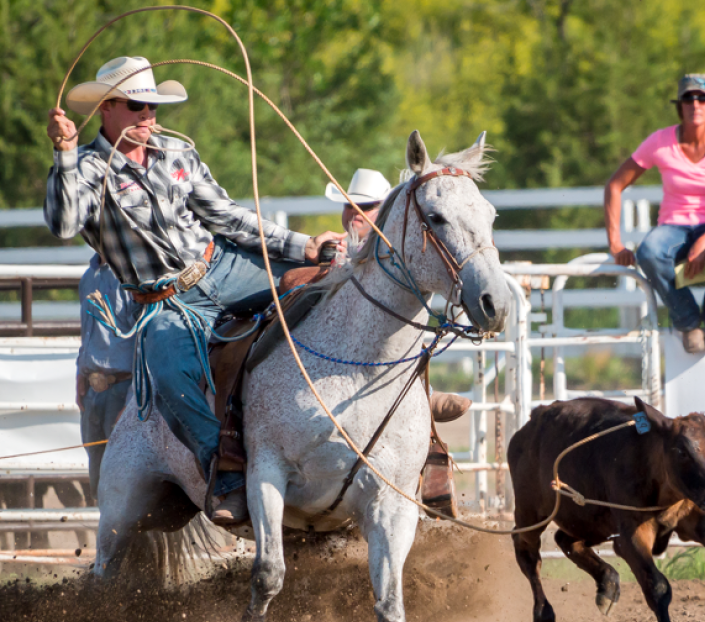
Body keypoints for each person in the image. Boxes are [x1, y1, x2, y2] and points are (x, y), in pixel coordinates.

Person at [45, 56, 343, 525]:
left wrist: (305, 246)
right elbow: (63, 224)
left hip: (222, 266)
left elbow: (228, 217)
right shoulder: (83, 169)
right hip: (165, 301)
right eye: (137, 106)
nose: (149, 116)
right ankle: (224, 467)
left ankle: (393, 421)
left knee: (329, 279)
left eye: (152, 107)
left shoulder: (177, 154)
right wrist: (64, 153)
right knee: (170, 374)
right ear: (106, 108)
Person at [605, 74, 705, 354]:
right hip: (674, 225)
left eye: (703, 98)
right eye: (688, 98)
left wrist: (704, 241)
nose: (696, 104)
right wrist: (615, 243)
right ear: (679, 106)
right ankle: (688, 321)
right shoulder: (660, 141)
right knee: (649, 252)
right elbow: (615, 184)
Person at [325, 168, 472, 424]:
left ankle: (422, 391)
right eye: (349, 205)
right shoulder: (336, 245)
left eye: (365, 205)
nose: (354, 212)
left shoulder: (393, 249)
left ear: (383, 210)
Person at [76, 254, 138, 503]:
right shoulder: (88, 277)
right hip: (94, 389)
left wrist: (133, 398)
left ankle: (128, 538)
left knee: (121, 473)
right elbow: (86, 332)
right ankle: (109, 535)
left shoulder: (129, 279)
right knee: (98, 472)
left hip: (121, 387)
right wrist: (80, 374)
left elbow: (141, 341)